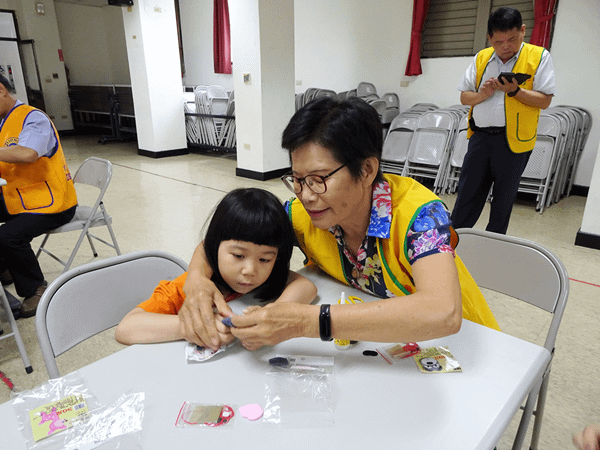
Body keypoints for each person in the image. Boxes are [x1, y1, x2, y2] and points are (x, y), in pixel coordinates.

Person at [177, 96, 500, 352]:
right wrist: (196, 280)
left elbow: (442, 312)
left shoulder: (419, 215)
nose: (306, 195)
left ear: (367, 170)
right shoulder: (304, 216)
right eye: (298, 179)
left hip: (462, 347)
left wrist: (309, 322)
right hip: (386, 349)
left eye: (319, 179)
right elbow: (230, 236)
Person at [115, 188, 317, 345]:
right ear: (215, 246)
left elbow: (306, 287)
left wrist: (274, 314)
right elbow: (125, 329)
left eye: (264, 259)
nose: (250, 270)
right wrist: (194, 325)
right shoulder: (190, 288)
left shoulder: (269, 279)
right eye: (238, 255)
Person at [450, 6, 555, 235]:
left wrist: (515, 91)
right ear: (489, 38)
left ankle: (493, 248)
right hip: (480, 138)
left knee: (502, 202)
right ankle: (452, 245)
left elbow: (545, 100)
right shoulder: (481, 58)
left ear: (523, 31)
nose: (505, 46)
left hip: (513, 143)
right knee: (467, 196)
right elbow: (464, 96)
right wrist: (482, 95)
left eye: (512, 39)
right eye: (498, 41)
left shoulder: (538, 56)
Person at [0, 74, 77, 318]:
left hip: (52, 202)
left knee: (9, 235)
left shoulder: (33, 118)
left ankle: (35, 289)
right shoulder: (3, 121)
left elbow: (28, 154)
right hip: (21, 196)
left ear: (1, 90)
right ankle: (6, 268)